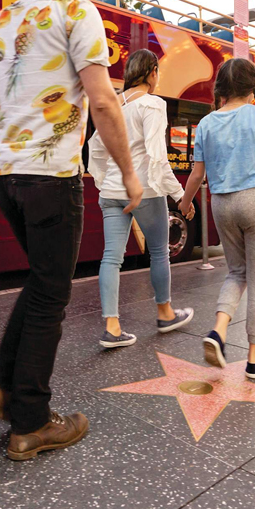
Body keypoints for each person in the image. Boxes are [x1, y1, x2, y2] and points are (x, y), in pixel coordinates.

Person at [0, 0, 142, 461]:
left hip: (8, 177)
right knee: (51, 296)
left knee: (41, 285)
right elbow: (105, 100)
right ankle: (33, 422)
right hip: (52, 179)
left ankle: (4, 389)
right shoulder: (75, 12)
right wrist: (129, 174)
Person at [178, 58, 255, 379]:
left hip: (221, 205)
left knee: (236, 273)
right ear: (252, 84)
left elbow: (196, 175)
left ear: (223, 87)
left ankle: (218, 331)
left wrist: (186, 204)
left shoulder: (207, 123)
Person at [87, 49, 194, 349]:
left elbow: (94, 148)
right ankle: (165, 314)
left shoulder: (113, 104)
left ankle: (112, 328)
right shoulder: (152, 104)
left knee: (111, 257)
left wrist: (104, 179)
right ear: (151, 72)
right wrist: (179, 194)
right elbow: (157, 156)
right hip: (145, 190)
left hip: (111, 191)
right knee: (159, 252)